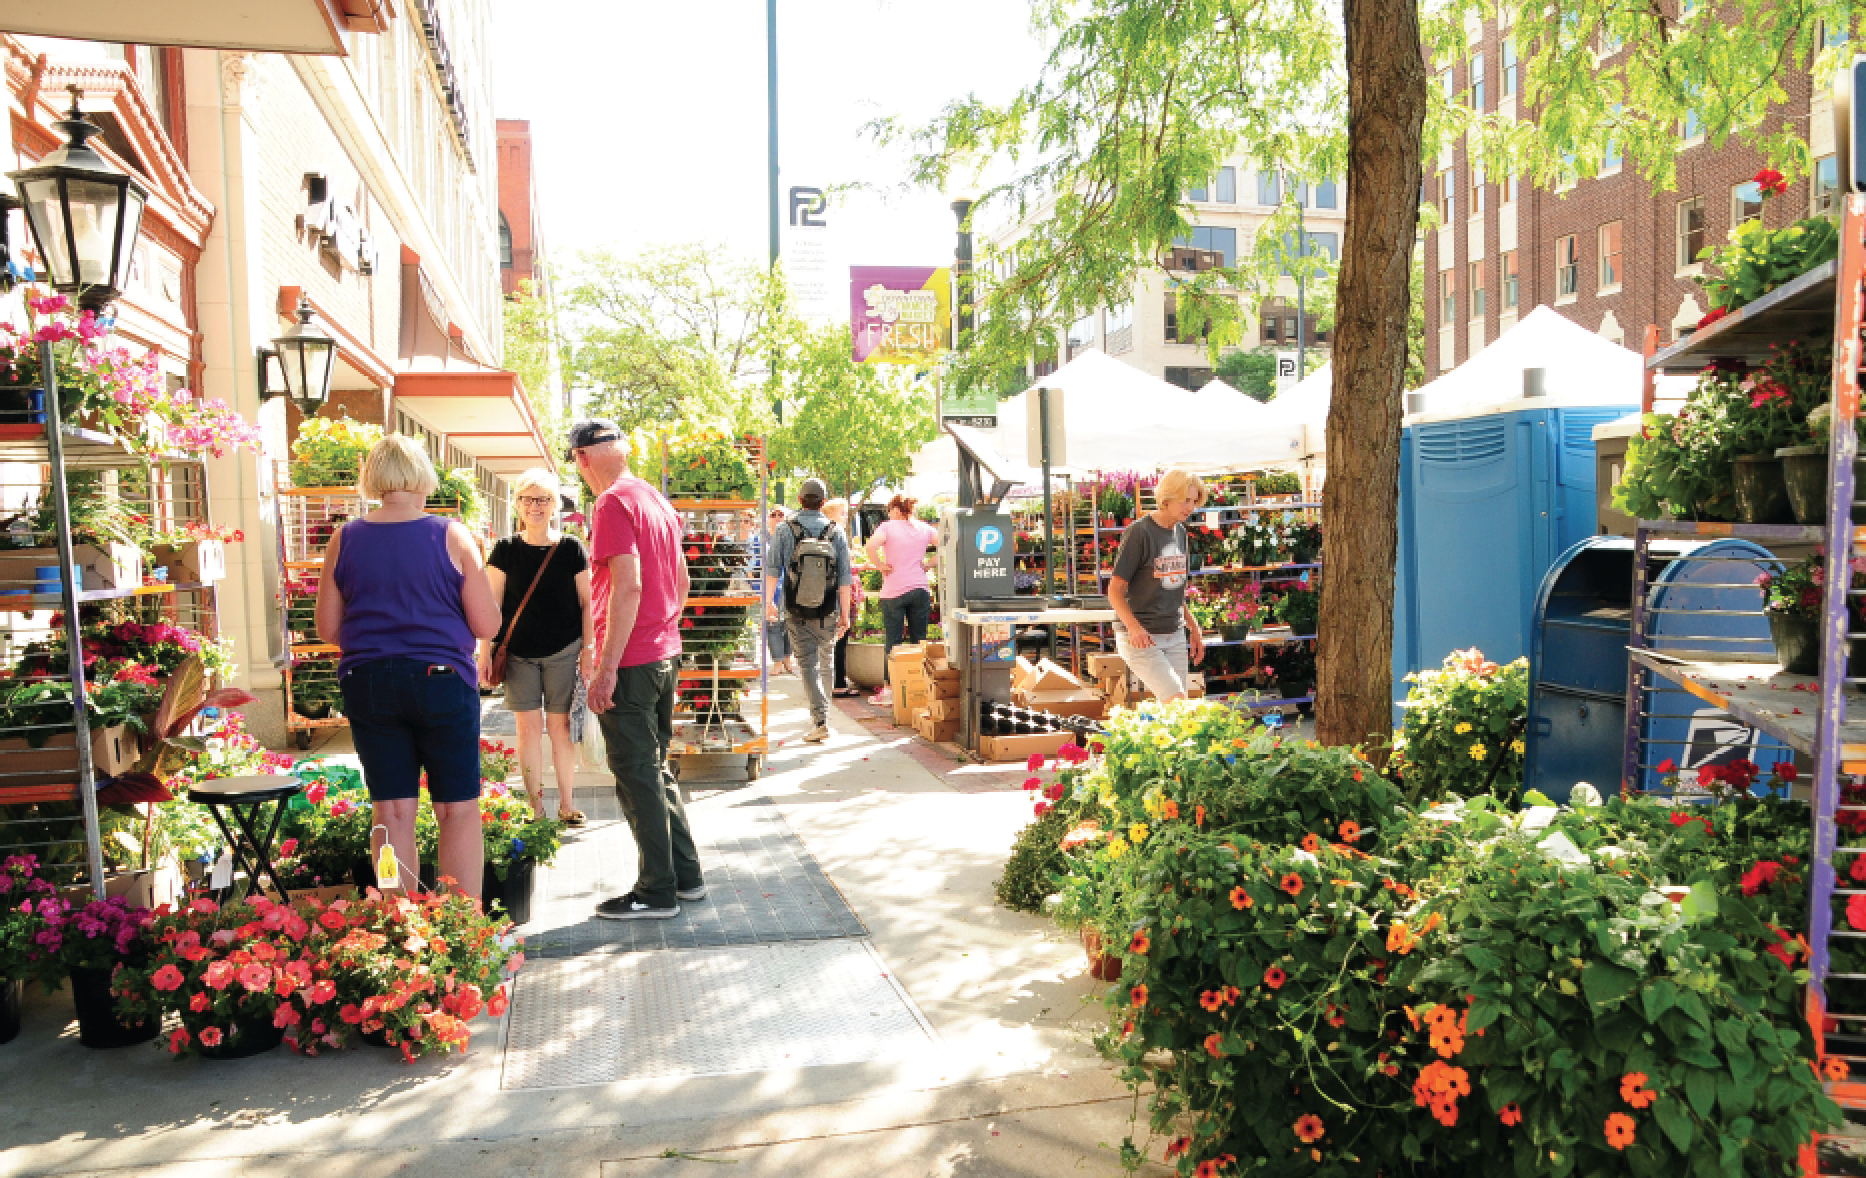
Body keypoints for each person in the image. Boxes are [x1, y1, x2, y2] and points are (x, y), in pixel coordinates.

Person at [316, 434, 501, 899]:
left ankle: (397, 928)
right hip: (440, 680)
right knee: (456, 809)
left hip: (369, 680)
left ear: (372, 479)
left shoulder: (345, 538)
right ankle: (465, 928)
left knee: (391, 813)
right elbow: (485, 622)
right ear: (424, 477)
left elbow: (326, 627)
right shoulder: (452, 535)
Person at [567, 419, 706, 920]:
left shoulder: (610, 503)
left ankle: (656, 890)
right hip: (663, 651)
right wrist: (664, 631)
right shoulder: (653, 497)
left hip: (632, 657)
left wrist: (606, 668)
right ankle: (684, 877)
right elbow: (683, 579)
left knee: (636, 775)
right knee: (655, 769)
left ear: (582, 458)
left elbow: (628, 586)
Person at [478, 467, 592, 827]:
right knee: (527, 729)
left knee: (559, 729)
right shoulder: (505, 550)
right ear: (518, 505)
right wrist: (484, 651)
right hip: (519, 654)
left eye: (543, 499)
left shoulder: (572, 549)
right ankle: (535, 807)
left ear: (554, 504)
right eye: (528, 499)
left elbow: (588, 603)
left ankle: (567, 805)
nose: (535, 506)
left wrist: (588, 649)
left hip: (564, 650)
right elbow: (491, 605)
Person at [1107, 468, 1207, 702]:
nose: (1190, 507)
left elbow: (1174, 589)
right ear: (1167, 498)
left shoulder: (1180, 532)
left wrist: (1193, 627)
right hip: (1141, 636)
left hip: (1174, 633)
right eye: (1185, 500)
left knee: (1177, 714)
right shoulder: (1139, 533)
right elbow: (1115, 590)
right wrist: (1133, 627)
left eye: (1194, 501)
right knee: (1177, 700)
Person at [767, 477, 851, 743]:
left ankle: (820, 719)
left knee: (807, 664)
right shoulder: (836, 531)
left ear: (800, 501)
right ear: (823, 503)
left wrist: (769, 603)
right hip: (828, 608)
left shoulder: (783, 529)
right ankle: (823, 718)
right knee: (826, 661)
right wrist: (845, 614)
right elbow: (845, 578)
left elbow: (772, 571)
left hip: (795, 607)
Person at [862, 494, 939, 708]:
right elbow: (947, 545)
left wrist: (880, 565)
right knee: (919, 640)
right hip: (919, 588)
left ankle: (889, 689)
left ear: (895, 509)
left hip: (894, 590)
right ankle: (921, 686)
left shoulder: (887, 527)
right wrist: (929, 565)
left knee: (893, 641)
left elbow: (870, 547)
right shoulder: (924, 528)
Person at [823, 498, 864, 699]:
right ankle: (838, 683)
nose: (845, 517)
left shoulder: (825, 534)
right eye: (842, 513)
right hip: (840, 594)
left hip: (828, 593)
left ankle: (833, 682)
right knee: (840, 637)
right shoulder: (835, 534)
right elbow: (844, 570)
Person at [760, 506, 795, 675]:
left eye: (781, 514)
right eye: (773, 514)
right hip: (769, 587)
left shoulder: (791, 537)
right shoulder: (762, 540)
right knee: (773, 625)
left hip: (789, 586)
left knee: (789, 624)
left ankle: (788, 658)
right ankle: (777, 661)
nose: (777, 517)